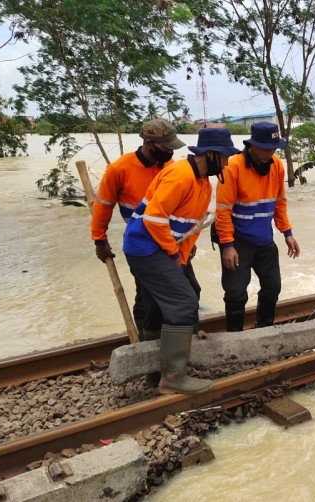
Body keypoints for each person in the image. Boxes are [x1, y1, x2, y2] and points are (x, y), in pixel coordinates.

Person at [123, 128, 239, 394]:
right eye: (224, 158)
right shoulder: (181, 175)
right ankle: (173, 378)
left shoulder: (201, 182)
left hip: (155, 248)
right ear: (210, 155)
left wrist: (181, 259)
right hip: (146, 248)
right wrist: (173, 254)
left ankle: (155, 372)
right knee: (184, 303)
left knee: (158, 305)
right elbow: (153, 218)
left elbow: (189, 228)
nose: (226, 164)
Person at [91, 119, 184, 335]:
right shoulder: (119, 169)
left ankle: (173, 334)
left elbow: (181, 208)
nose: (170, 151)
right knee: (146, 295)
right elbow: (103, 205)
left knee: (185, 290)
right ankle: (146, 338)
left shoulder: (170, 167)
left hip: (170, 240)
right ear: (149, 143)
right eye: (166, 147)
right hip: (142, 244)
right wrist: (99, 240)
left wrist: (186, 240)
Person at [214, 122, 300, 332]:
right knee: (236, 293)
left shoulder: (277, 165)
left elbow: (279, 202)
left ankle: (264, 328)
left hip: (263, 238)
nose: (270, 153)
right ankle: (234, 335)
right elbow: (223, 211)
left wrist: (287, 232)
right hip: (237, 240)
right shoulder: (232, 167)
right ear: (252, 146)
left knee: (273, 287)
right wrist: (227, 245)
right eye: (265, 149)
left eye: (273, 148)